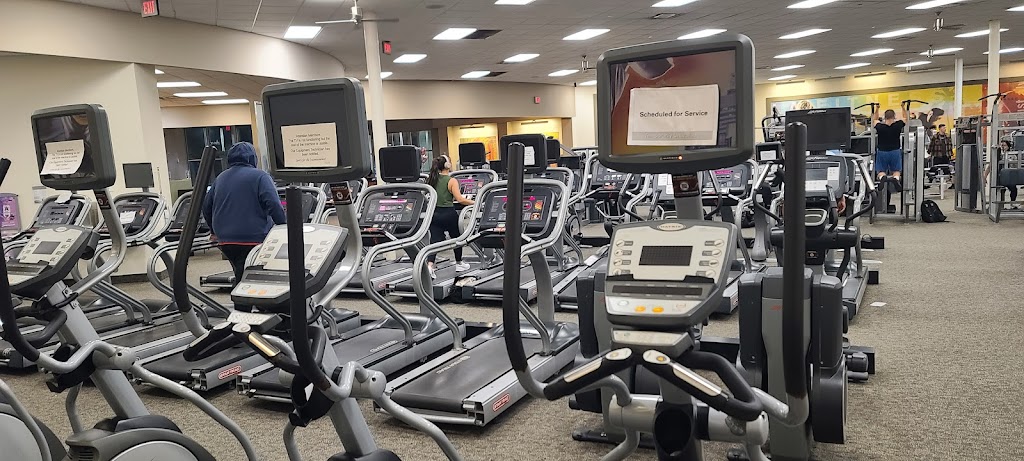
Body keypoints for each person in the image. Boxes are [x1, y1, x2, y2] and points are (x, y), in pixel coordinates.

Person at [202, 142, 286, 288]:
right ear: (253, 158)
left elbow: (206, 207)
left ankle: (242, 296)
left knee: (240, 273)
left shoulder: (220, 178)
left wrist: (213, 231)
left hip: (225, 240)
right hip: (253, 237)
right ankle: (245, 299)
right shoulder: (260, 176)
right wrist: (284, 227)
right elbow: (273, 204)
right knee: (250, 277)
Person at [425, 155, 475, 278]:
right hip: (448, 214)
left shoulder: (431, 179)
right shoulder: (451, 180)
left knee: (434, 241)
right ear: (447, 165)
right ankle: (459, 262)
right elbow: (460, 199)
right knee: (457, 238)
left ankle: (430, 266)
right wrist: (476, 202)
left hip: (434, 214)